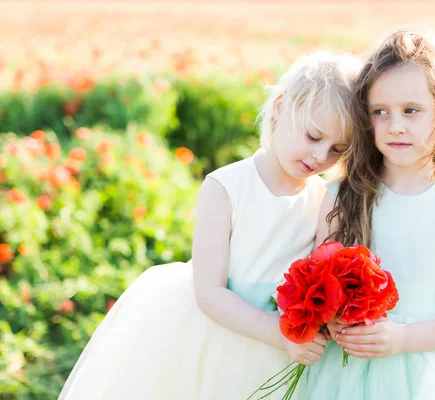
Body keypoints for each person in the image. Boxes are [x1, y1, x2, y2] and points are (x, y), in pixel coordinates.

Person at [58, 51, 361, 400]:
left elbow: (318, 282)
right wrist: (280, 334)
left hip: (283, 355)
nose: (320, 157)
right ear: (280, 108)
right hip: (219, 335)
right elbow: (210, 293)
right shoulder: (226, 187)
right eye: (313, 136)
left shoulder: (324, 200)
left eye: (337, 149)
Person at [299, 29, 435, 399]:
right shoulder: (342, 195)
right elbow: (320, 286)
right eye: (380, 112)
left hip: (432, 367)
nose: (395, 125)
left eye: (411, 111)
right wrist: (335, 320)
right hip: (354, 366)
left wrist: (403, 338)